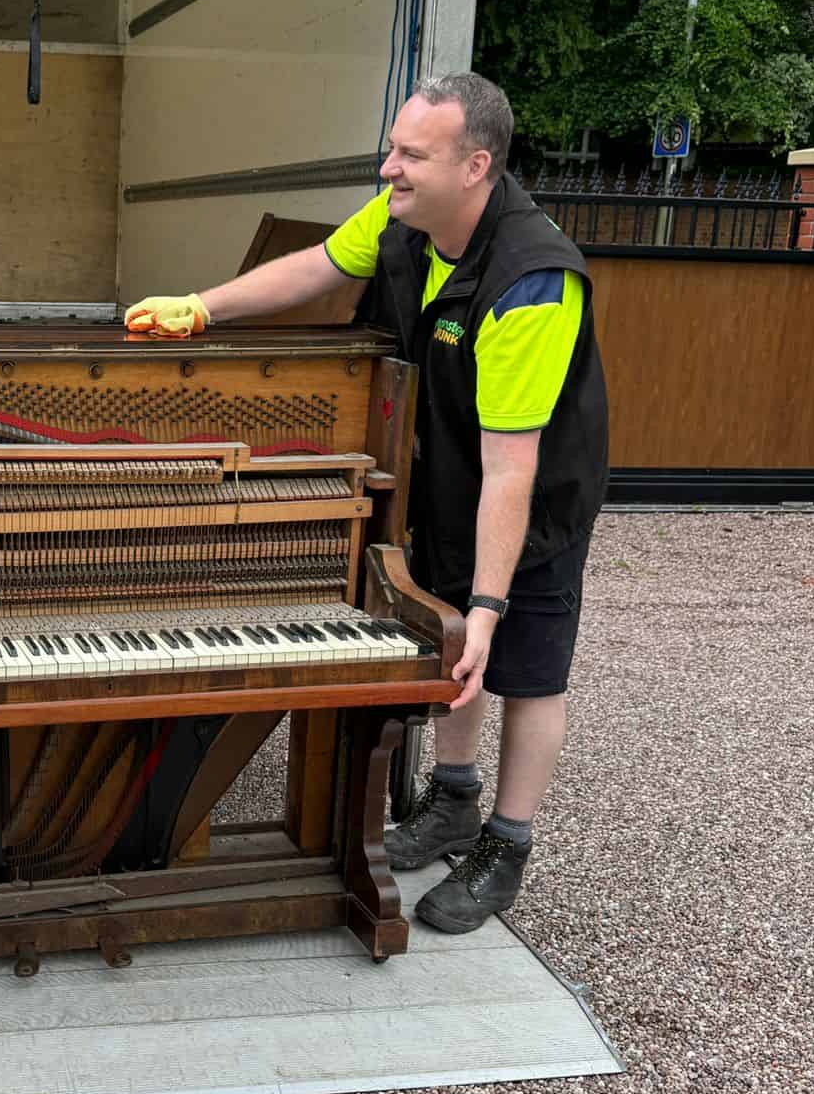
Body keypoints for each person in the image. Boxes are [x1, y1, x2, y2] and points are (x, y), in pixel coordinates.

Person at [123, 73, 608, 932]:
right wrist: (202, 307)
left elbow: (512, 471)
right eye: (393, 146)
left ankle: (507, 841)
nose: (389, 168)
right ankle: (453, 801)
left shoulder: (533, 281)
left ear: (475, 166)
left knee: (522, 669)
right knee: (447, 645)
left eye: (411, 155)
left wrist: (490, 604)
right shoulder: (402, 221)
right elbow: (315, 266)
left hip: (529, 501)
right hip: (449, 477)